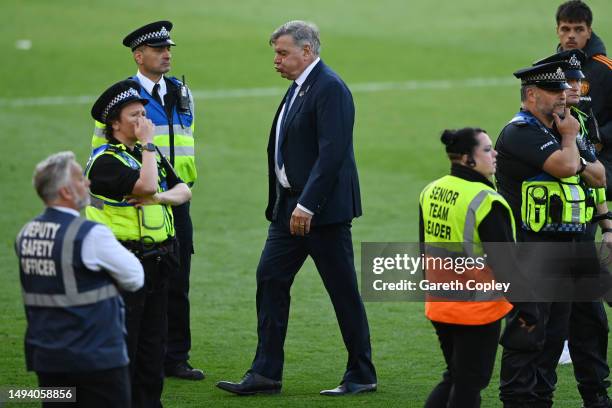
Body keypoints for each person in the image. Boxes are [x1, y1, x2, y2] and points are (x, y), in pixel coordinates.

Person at [216, 20, 377, 396]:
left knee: (342, 292)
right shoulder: (299, 88)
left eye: (282, 52)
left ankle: (362, 373)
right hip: (289, 209)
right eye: (275, 52)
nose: (276, 60)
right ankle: (265, 373)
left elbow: (333, 153)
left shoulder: (330, 88)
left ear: (308, 51)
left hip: (319, 212)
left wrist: (308, 204)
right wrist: (286, 203)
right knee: (270, 279)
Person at [91, 21, 202, 380]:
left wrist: (169, 194)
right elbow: (101, 157)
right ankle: (141, 357)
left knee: (178, 278)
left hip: (173, 197)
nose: (167, 54)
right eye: (158, 50)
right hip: (133, 201)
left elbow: (186, 144)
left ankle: (176, 356)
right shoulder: (122, 99)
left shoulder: (183, 93)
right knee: (140, 289)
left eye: (168, 48)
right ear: (140, 56)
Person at [495, 60, 603, 407]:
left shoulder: (561, 127)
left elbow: (600, 176)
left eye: (563, 89)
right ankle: (519, 401)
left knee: (555, 336)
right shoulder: (520, 131)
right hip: (529, 252)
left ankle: (541, 400)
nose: (563, 96)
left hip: (563, 250)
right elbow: (567, 166)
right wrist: (571, 140)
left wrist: (576, 152)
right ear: (531, 94)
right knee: (527, 337)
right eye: (555, 90)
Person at [86, 79, 192, 407]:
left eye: (144, 113)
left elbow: (183, 190)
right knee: (126, 341)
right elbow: (145, 186)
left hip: (158, 261)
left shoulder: (144, 154)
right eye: (135, 116)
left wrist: (160, 195)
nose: (144, 121)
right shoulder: (105, 161)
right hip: (123, 261)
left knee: (152, 343)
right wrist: (149, 148)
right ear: (114, 124)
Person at [15, 151, 144, 407]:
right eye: (79, 178)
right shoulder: (91, 234)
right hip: (95, 358)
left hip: (47, 357)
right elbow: (135, 277)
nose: (87, 182)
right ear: (65, 191)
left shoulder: (25, 233)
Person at [420, 128, 537, 408]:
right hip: (476, 310)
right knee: (470, 383)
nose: (494, 153)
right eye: (486, 149)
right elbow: (506, 265)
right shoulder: (486, 201)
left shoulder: (430, 190)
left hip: (439, 303)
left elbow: (423, 248)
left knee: (456, 376)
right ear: (466, 159)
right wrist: (529, 308)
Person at [535, 49, 612, 408]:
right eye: (573, 81)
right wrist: (578, 156)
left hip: (580, 236)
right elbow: (571, 169)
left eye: (582, 80)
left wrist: (605, 223)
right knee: (548, 329)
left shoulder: (581, 117)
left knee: (591, 321)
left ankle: (595, 394)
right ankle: (537, 396)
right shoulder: (538, 127)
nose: (580, 86)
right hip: (547, 242)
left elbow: (598, 177)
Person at [555, 1, 612, 197]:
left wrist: (599, 138)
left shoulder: (606, 70)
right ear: (557, 31)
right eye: (566, 28)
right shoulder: (550, 70)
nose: (571, 35)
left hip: (603, 158)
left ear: (589, 31)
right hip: (565, 154)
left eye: (578, 29)